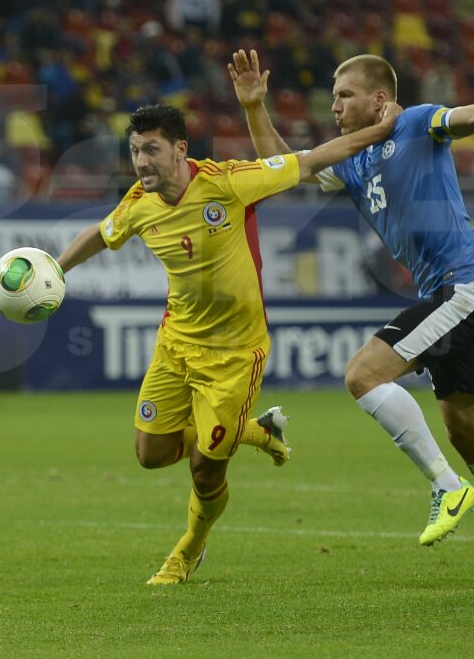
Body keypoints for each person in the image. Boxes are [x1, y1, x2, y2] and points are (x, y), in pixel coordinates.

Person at [228, 48, 474, 583]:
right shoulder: (350, 158)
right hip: (451, 293)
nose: (335, 106)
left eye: (345, 95)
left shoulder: (415, 123)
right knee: (466, 428)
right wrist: (255, 107)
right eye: (334, 97)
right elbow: (282, 172)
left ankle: (445, 486)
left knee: (362, 374)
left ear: (379, 98)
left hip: (466, 290)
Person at [56, 101, 402, 585]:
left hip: (236, 354)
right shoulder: (138, 203)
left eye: (151, 150)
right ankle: (258, 432)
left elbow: (312, 159)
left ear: (180, 149)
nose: (141, 162)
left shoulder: (227, 182)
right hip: (176, 345)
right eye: (134, 151)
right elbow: (103, 232)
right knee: (150, 455)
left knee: (205, 470)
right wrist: (56, 270)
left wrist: (383, 129)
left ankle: (188, 550)